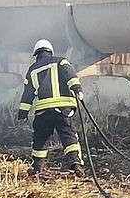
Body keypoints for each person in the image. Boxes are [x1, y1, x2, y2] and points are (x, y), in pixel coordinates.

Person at [17, 39, 84, 174]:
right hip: (64, 109)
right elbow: (71, 75)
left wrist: (23, 113)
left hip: (43, 112)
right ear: (50, 51)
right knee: (68, 135)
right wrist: (77, 89)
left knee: (41, 138)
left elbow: (28, 94)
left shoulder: (32, 70)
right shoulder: (61, 61)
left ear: (36, 54)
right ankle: (76, 163)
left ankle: (37, 167)